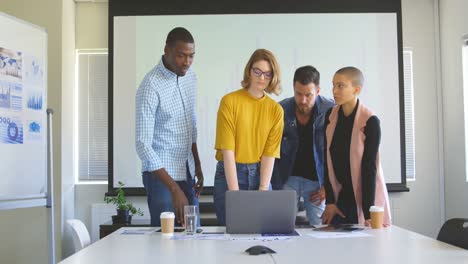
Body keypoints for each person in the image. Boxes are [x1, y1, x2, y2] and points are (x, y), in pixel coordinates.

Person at [135, 27, 203, 227]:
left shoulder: (190, 77)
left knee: (193, 236)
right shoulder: (150, 86)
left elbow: (190, 125)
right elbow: (142, 144)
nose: (187, 62)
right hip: (161, 176)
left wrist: (197, 163)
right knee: (166, 241)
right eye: (181, 55)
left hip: (187, 170)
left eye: (191, 56)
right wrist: (174, 189)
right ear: (167, 50)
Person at [213, 48, 284, 225]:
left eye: (267, 74)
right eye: (257, 72)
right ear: (249, 71)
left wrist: (262, 189)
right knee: (229, 232)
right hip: (231, 172)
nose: (262, 78)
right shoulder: (229, 101)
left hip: (261, 174)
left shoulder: (276, 110)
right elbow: (227, 150)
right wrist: (235, 195)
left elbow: (270, 154)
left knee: (260, 233)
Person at [321, 66, 391, 226]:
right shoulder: (330, 117)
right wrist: (330, 201)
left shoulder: (370, 121)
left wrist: (368, 213)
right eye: (333, 85)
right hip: (341, 199)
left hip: (366, 198)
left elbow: (369, 168)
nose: (334, 91)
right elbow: (327, 160)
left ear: (356, 89)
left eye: (340, 86)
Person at [272, 65, 334, 226]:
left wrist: (328, 186)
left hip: (317, 182)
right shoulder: (281, 109)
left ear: (318, 91)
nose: (303, 100)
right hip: (287, 179)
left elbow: (336, 152)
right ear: (293, 88)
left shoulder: (331, 110)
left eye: (308, 95)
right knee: (281, 228)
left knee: (320, 229)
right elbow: (270, 148)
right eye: (298, 94)